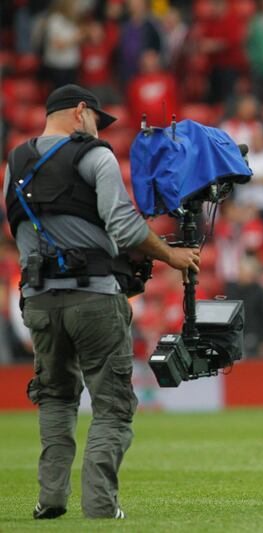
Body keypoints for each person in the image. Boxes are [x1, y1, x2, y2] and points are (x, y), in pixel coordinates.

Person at [2, 84, 200, 520]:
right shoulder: (95, 155)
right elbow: (125, 227)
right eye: (95, 119)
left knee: (55, 397)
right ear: (80, 112)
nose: (97, 128)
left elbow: (16, 229)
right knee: (111, 404)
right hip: (93, 296)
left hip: (37, 299)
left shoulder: (13, 162)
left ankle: (50, 499)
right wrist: (171, 256)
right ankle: (100, 505)